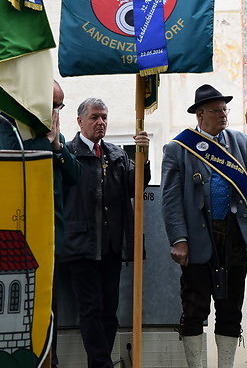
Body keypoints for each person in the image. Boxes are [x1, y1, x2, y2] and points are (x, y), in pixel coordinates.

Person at [161, 84, 247, 368]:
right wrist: (179, 238)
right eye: (215, 110)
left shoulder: (240, 141)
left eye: (224, 109)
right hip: (198, 240)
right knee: (194, 309)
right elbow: (171, 200)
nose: (222, 114)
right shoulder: (178, 148)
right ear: (200, 115)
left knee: (230, 310)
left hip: (235, 237)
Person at [0, 79, 80, 366]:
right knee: (20, 308)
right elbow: (18, 161)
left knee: (49, 306)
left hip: (52, 235)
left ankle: (49, 358)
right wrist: (48, 142)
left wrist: (57, 146)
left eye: (60, 106)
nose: (57, 112)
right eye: (53, 105)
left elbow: (74, 176)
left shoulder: (57, 137)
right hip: (21, 233)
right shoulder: (11, 128)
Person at [60, 97, 149, 368]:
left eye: (104, 117)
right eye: (95, 117)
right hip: (82, 247)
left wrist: (141, 153)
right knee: (91, 310)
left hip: (111, 246)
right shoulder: (68, 152)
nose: (101, 123)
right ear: (80, 121)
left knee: (110, 311)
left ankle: (101, 362)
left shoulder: (116, 154)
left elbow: (138, 185)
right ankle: (100, 364)